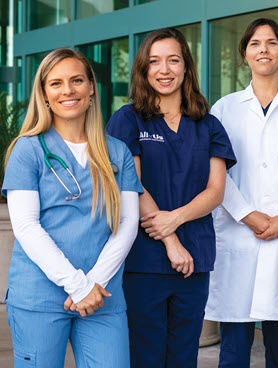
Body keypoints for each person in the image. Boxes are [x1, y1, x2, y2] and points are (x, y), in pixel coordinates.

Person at [1, 48, 142, 368]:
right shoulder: (28, 150)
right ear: (44, 94)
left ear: (92, 87)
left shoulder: (116, 151)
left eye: (77, 80)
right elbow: (25, 226)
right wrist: (78, 286)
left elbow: (128, 224)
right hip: (40, 296)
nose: (68, 90)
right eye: (56, 83)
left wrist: (94, 284)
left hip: (102, 295)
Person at [106, 28, 236, 368]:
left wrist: (174, 219)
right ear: (144, 70)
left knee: (183, 355)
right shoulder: (128, 119)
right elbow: (131, 184)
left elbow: (215, 191)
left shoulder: (209, 125)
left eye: (173, 60)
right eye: (155, 61)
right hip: (144, 261)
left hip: (195, 262)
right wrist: (171, 242)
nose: (164, 70)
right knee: (145, 355)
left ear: (186, 67)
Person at [204, 18, 278, 368]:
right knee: (234, 351)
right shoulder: (223, 109)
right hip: (237, 237)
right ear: (244, 54)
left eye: (271, 42)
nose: (264, 50)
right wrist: (247, 214)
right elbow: (215, 171)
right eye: (255, 43)